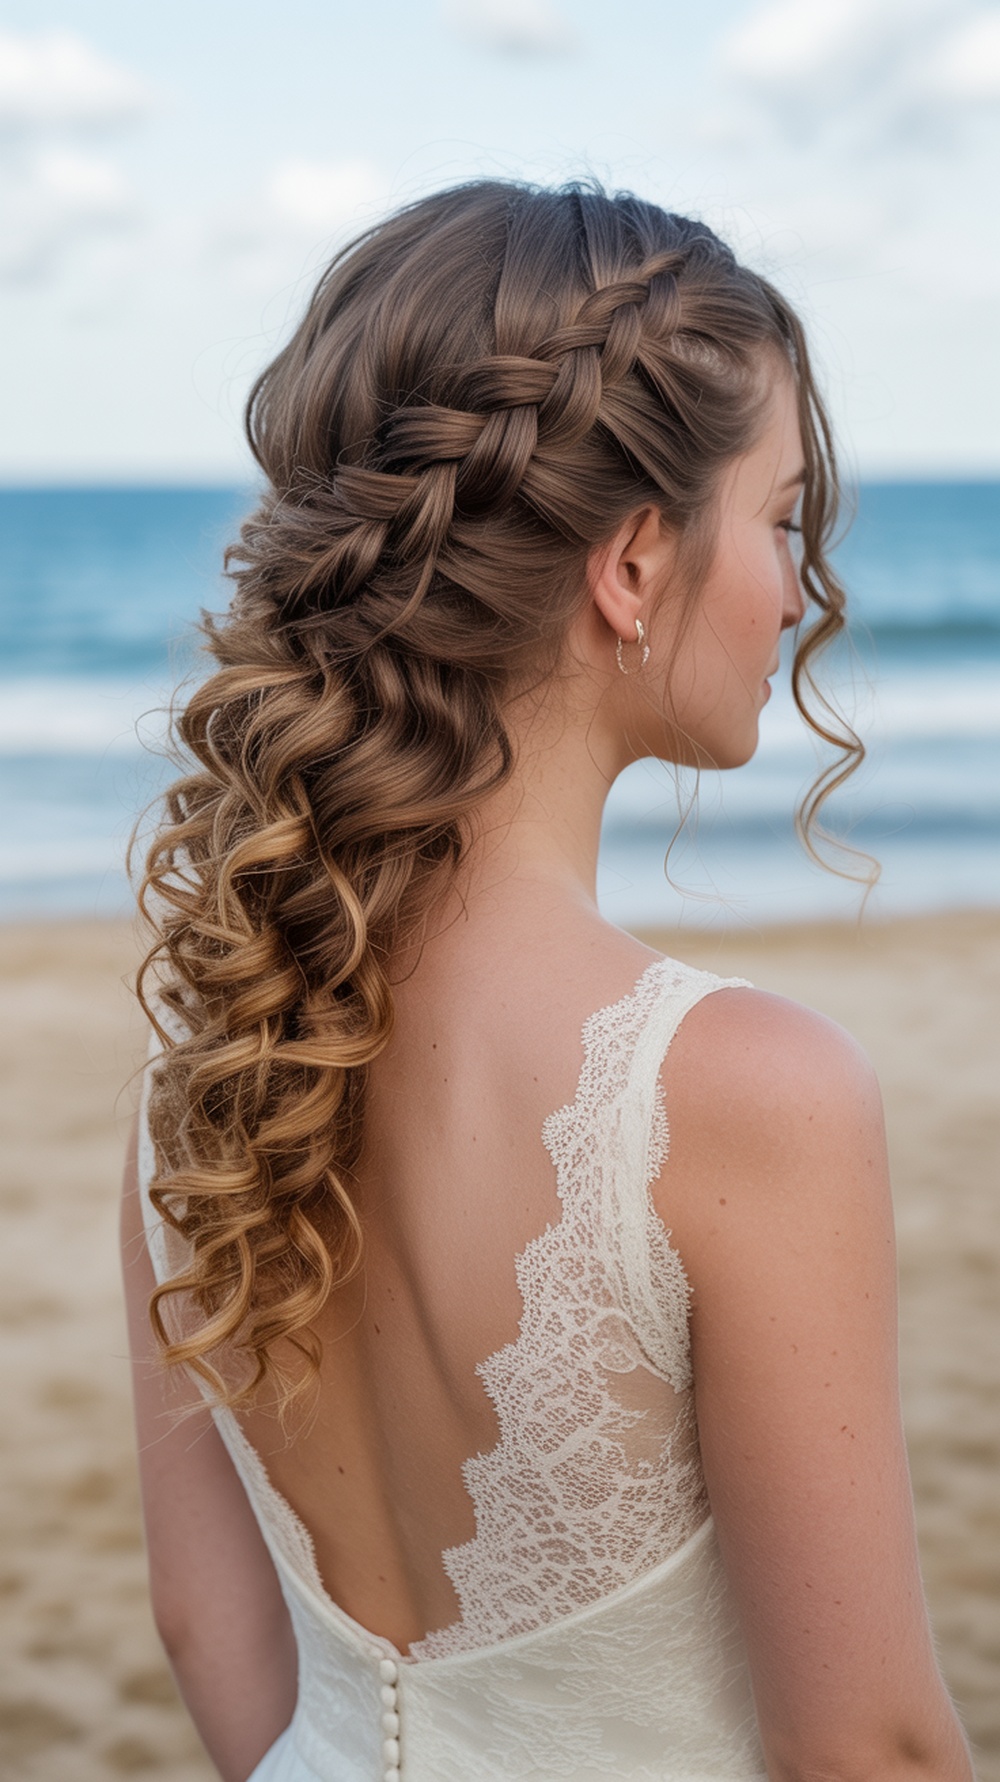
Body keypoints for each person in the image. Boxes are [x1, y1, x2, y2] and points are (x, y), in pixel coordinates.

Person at [121, 180, 973, 1782]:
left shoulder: (217, 1062)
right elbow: (868, 1747)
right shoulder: (738, 1090)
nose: (797, 592)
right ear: (635, 563)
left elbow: (200, 1619)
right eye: (780, 519)